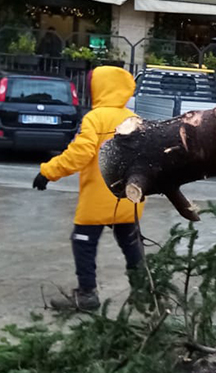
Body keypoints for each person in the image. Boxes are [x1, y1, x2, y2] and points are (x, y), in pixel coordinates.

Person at [32, 65, 145, 311]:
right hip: (128, 197)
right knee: (130, 243)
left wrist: (48, 172)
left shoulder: (95, 118)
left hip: (98, 197)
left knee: (83, 241)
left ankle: (87, 295)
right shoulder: (135, 120)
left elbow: (80, 154)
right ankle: (144, 292)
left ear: (100, 88)